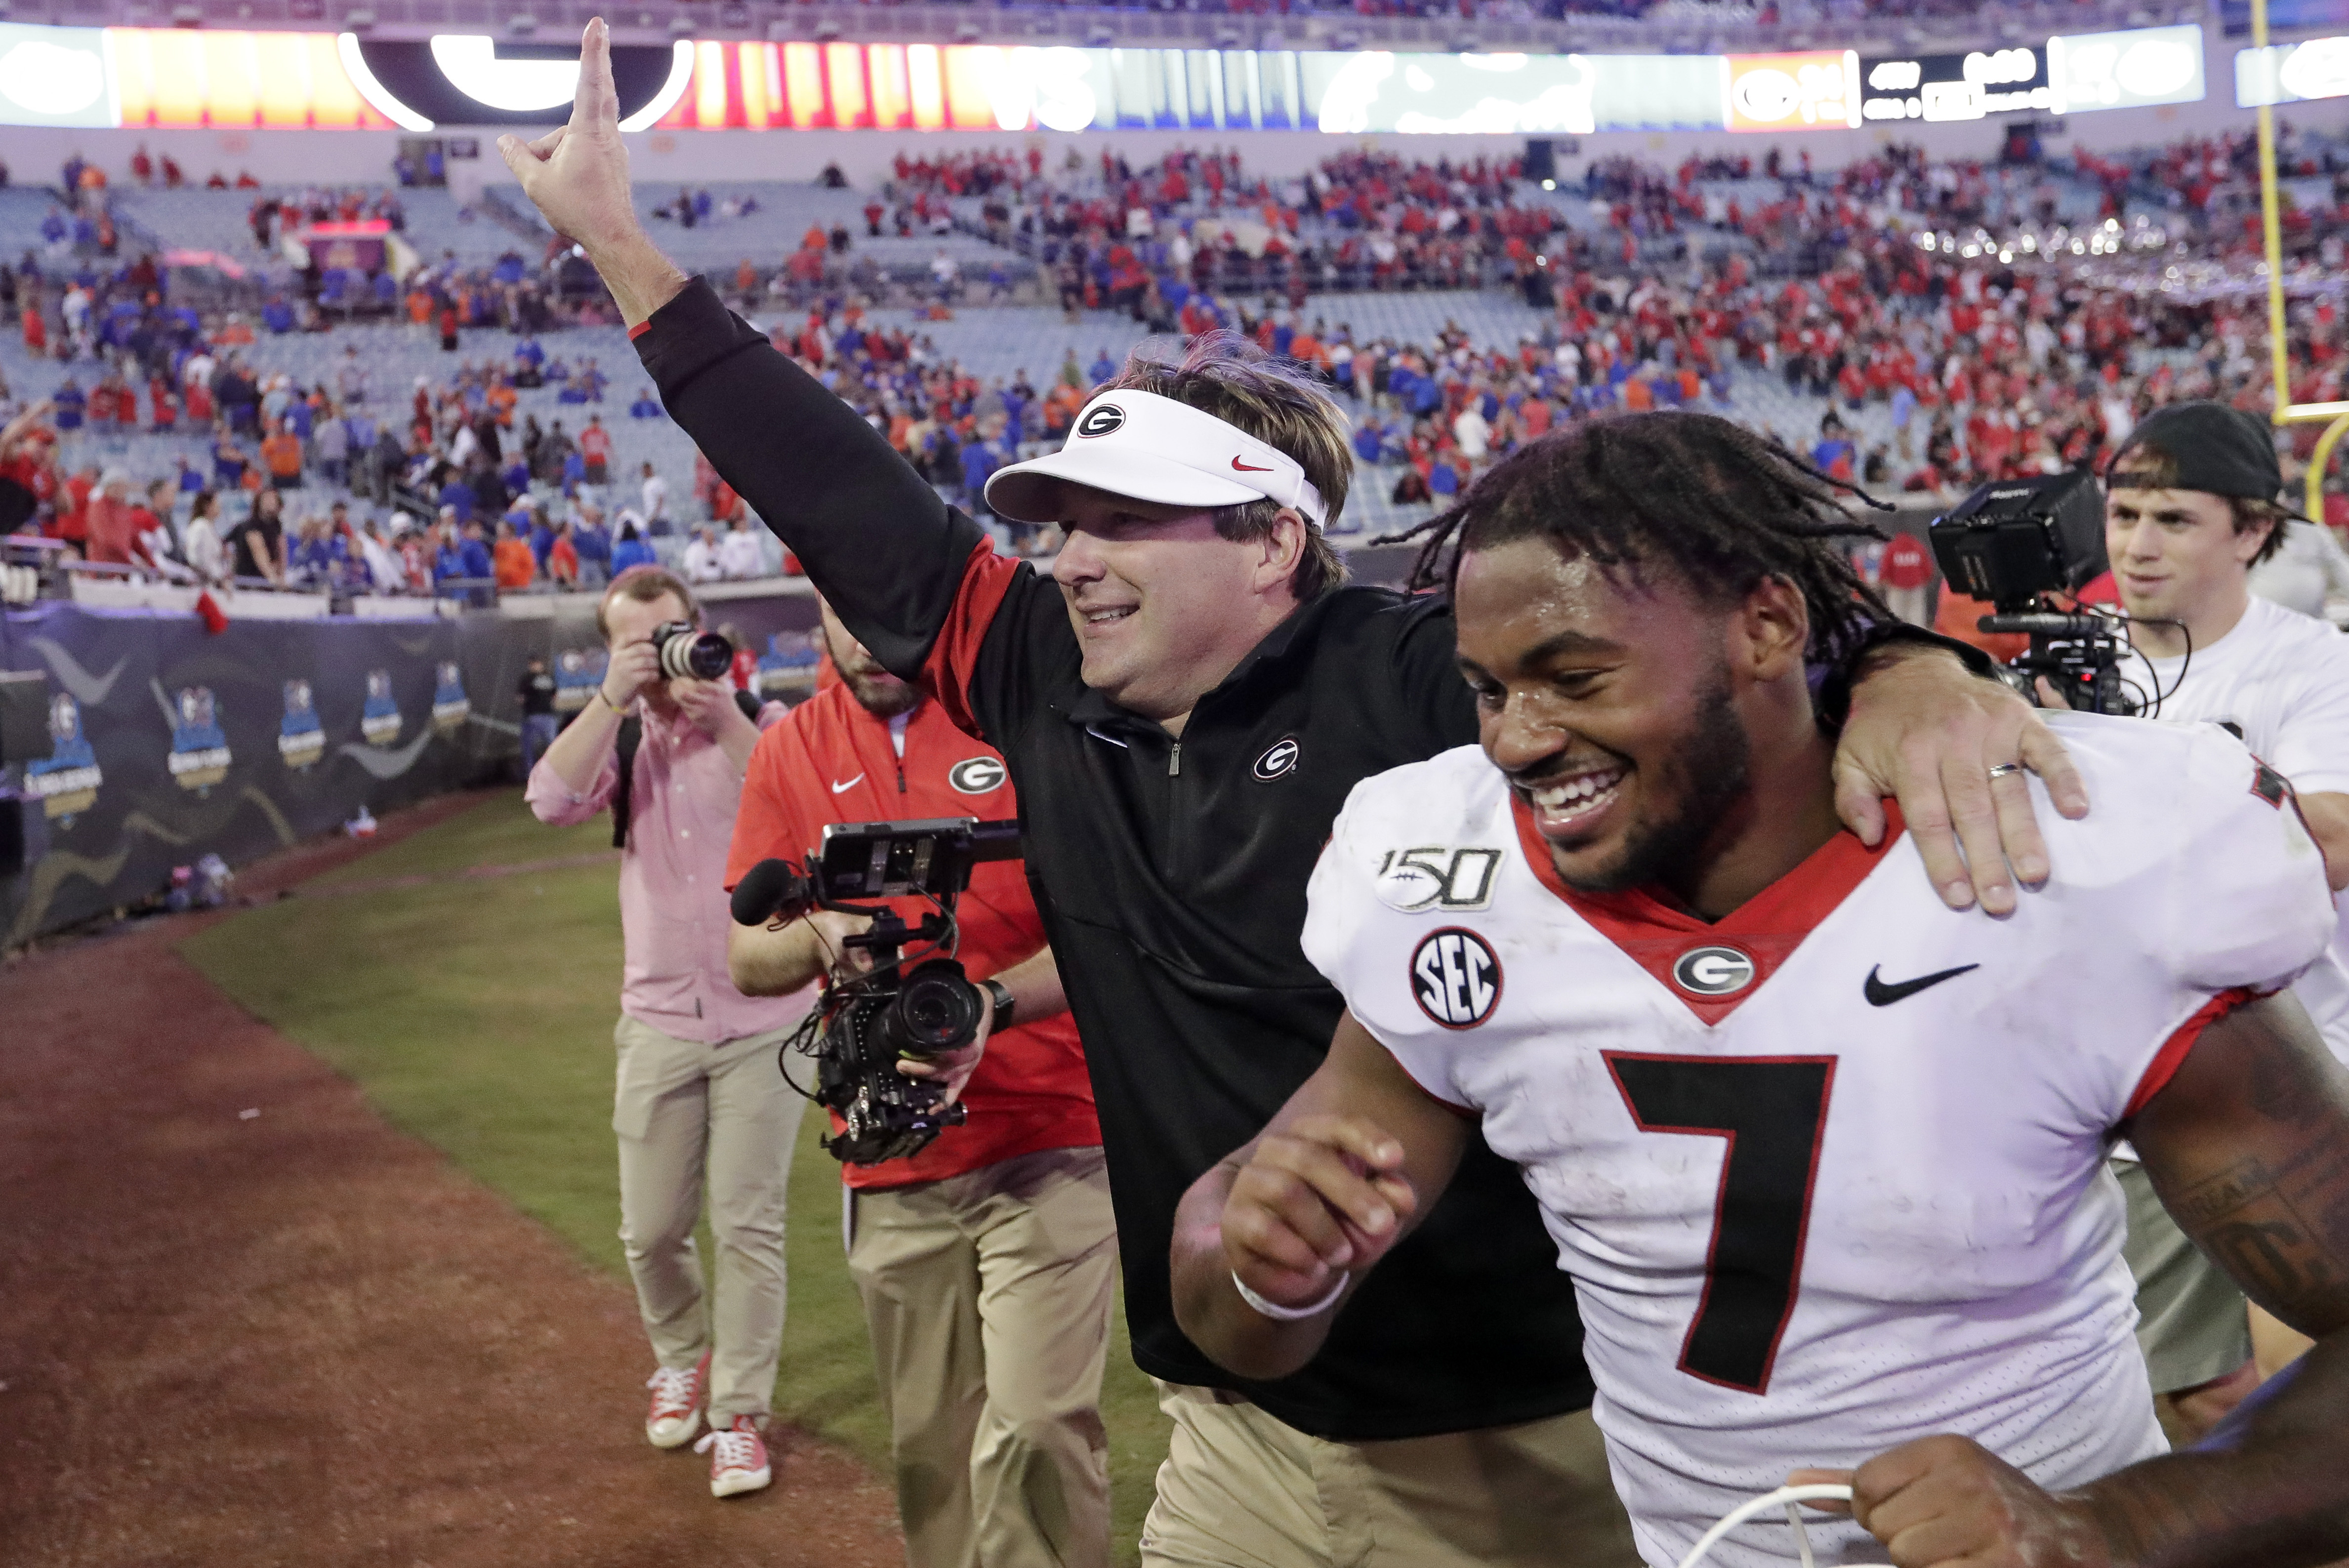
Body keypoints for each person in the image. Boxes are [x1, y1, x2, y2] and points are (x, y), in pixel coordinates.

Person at [503, 42, 2080, 1564]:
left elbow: (1685, 674)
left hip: (1520, 1426)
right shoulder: (1045, 665)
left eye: (1124, 521)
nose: (1071, 556)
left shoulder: (1410, 673)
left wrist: (1903, 666)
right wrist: (623, 248)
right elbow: (840, 493)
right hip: (1236, 1418)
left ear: (1270, 543)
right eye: (1059, 523)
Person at [1180, 412, 2349, 1568]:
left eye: (1574, 676)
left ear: (1768, 625)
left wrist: (2113, 1525)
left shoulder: (2050, 855)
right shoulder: (1445, 873)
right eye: (1487, 690)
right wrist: (1254, 1258)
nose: (1518, 740)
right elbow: (1248, 1312)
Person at [726, 597, 1114, 1568]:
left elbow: (1103, 932)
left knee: (1037, 1427)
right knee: (931, 1453)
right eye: (839, 615)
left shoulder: (1024, 721)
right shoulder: (787, 752)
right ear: (815, 619)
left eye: (881, 612)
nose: (864, 638)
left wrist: (984, 1009)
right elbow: (744, 951)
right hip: (889, 1151)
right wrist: (823, 936)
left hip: (1048, 1131)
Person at [526, 565, 812, 1500]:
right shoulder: (619, 740)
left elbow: (801, 807)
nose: (658, 657)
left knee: (747, 1222)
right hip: (656, 1019)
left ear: (701, 627)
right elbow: (549, 799)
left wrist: (721, 710)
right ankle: (681, 1355)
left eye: (669, 634)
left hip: (762, 1018)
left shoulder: (758, 721)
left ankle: (740, 1412)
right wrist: (613, 694)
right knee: (650, 1229)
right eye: (635, 641)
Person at [2094, 402, 2349, 1434]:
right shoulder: (2072, 657)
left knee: (2309, 1372)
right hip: (2116, 1078)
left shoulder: (2311, 662)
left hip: (2285, 1061)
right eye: (2121, 515)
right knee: (2193, 1390)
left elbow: (2328, 840)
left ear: (2249, 530)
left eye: (2171, 519)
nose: (2136, 545)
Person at [2249, 513, 2349, 619]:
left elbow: (2342, 571)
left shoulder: (2311, 529)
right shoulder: (2246, 531)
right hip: (2261, 621)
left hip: (2312, 621)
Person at [227, 489, 286, 583]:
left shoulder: (277, 525)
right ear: (259, 502)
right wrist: (273, 579)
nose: (270, 502)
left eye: (273, 499)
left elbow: (282, 551)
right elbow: (259, 553)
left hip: (265, 580)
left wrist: (282, 576)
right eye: (267, 499)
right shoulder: (250, 525)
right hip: (248, 580)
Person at [517, 653, 559, 777]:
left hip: (536, 716)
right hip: (544, 716)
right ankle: (552, 774)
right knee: (551, 747)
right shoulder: (548, 677)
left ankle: (534, 776)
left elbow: (520, 699)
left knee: (531, 748)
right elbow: (555, 696)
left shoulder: (528, 678)